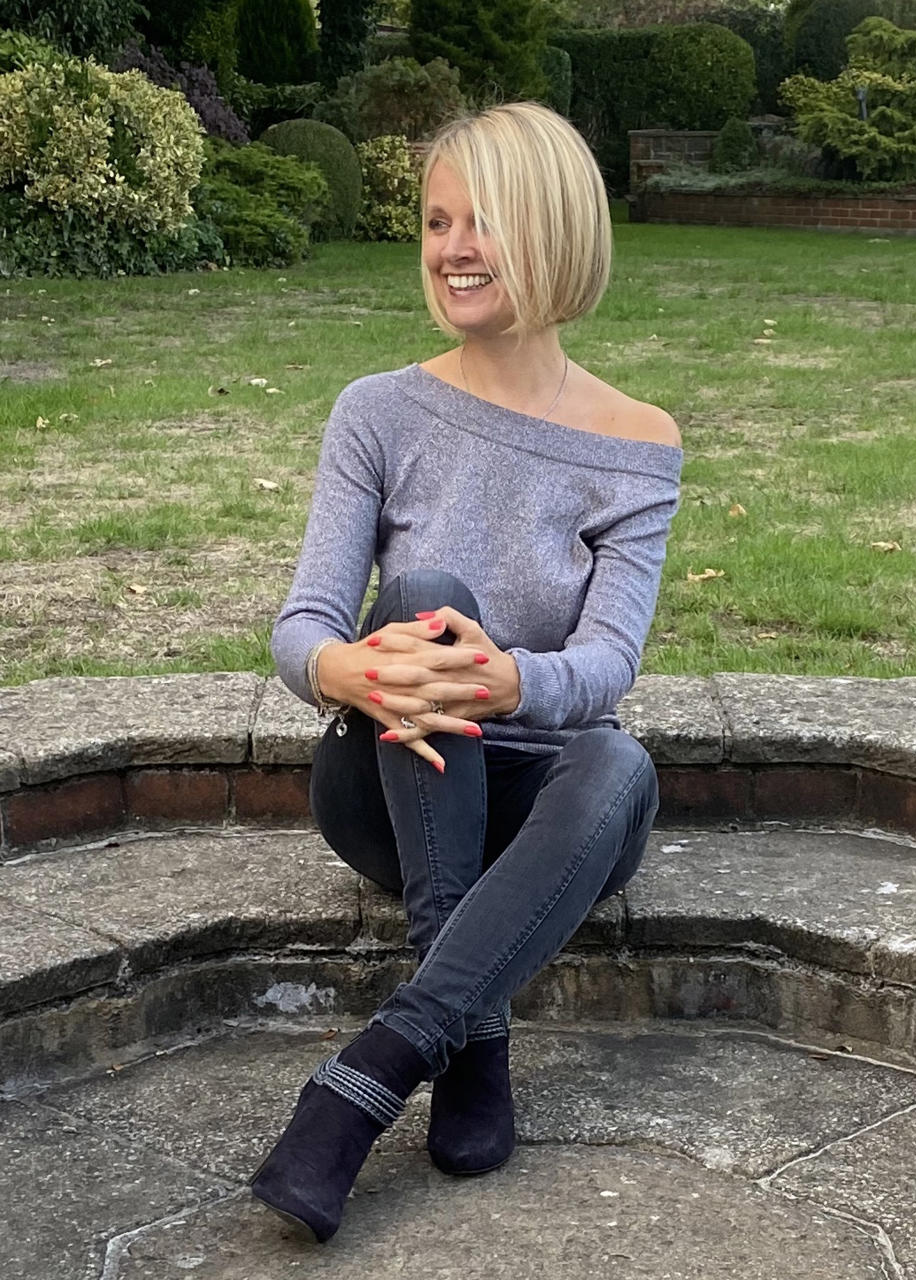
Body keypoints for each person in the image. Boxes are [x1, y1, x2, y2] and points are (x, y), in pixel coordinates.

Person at [251, 99, 683, 1244]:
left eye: (479, 218)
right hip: (392, 786)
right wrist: (354, 669)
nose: (450, 247)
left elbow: (605, 663)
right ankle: (469, 1024)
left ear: (550, 227)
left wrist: (509, 686)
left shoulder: (639, 440)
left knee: (620, 756)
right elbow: (300, 626)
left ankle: (387, 1063)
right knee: (425, 593)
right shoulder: (376, 411)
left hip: (556, 810)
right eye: (436, 221)